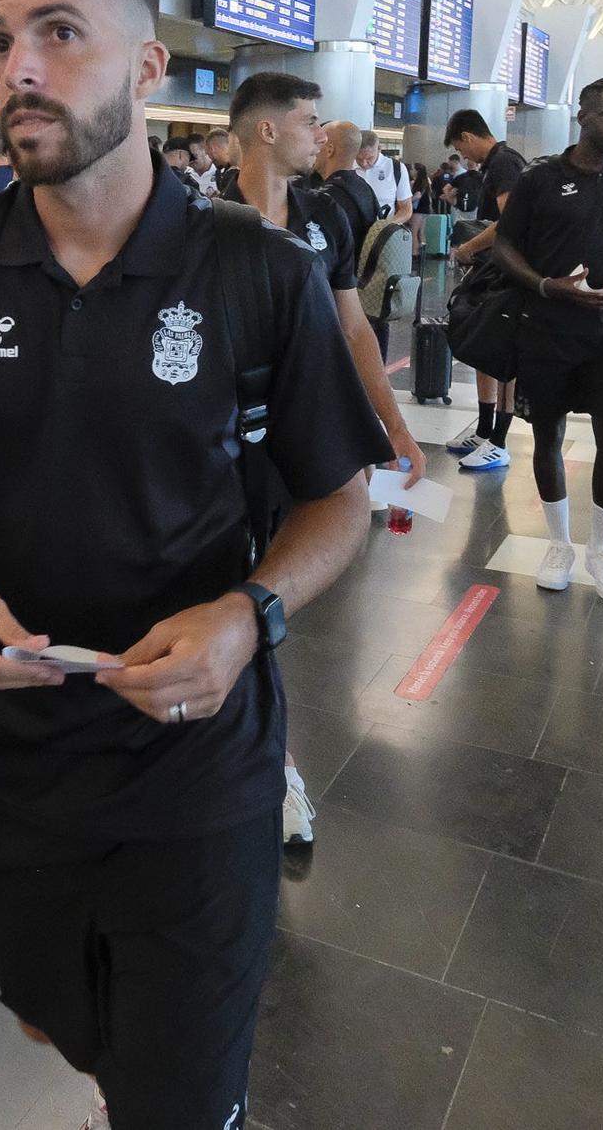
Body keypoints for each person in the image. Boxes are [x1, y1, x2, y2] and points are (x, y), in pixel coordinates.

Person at [0, 0, 390, 1130]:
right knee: (55, 1015)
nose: (16, 70)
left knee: (173, 1093)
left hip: (193, 768)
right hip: (4, 764)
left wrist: (249, 613)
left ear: (148, 68)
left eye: (55, 33)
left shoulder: (259, 275)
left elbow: (336, 495)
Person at [225, 72, 427, 849]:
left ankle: (273, 764)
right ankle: (266, 763)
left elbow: (353, 331)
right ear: (268, 131)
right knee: (233, 593)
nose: (326, 135)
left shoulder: (327, 217)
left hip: (300, 433)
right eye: (312, 122)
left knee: (267, 602)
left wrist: (395, 425)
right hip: (214, 437)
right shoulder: (197, 218)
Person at [490, 78, 603, 603]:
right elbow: (504, 244)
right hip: (546, 328)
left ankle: (602, 549)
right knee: (547, 436)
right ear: (583, 116)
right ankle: (560, 545)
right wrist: (547, 285)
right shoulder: (541, 178)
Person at [443, 108, 528, 471]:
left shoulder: (505, 163)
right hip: (493, 270)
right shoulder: (497, 164)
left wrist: (467, 248)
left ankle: (500, 440)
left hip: (508, 273)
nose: (465, 159)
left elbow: (509, 222)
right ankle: (483, 430)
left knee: (505, 356)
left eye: (462, 151)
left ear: (468, 137)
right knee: (484, 349)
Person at [311, 120, 380, 241]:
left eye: (318, 143)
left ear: (329, 150)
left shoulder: (326, 198)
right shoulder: (365, 189)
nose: (313, 150)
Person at [355, 130, 413, 224]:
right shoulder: (348, 166)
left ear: (379, 149)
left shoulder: (396, 168)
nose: (364, 163)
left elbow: (406, 208)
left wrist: (385, 226)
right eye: (359, 159)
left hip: (383, 232)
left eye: (369, 158)